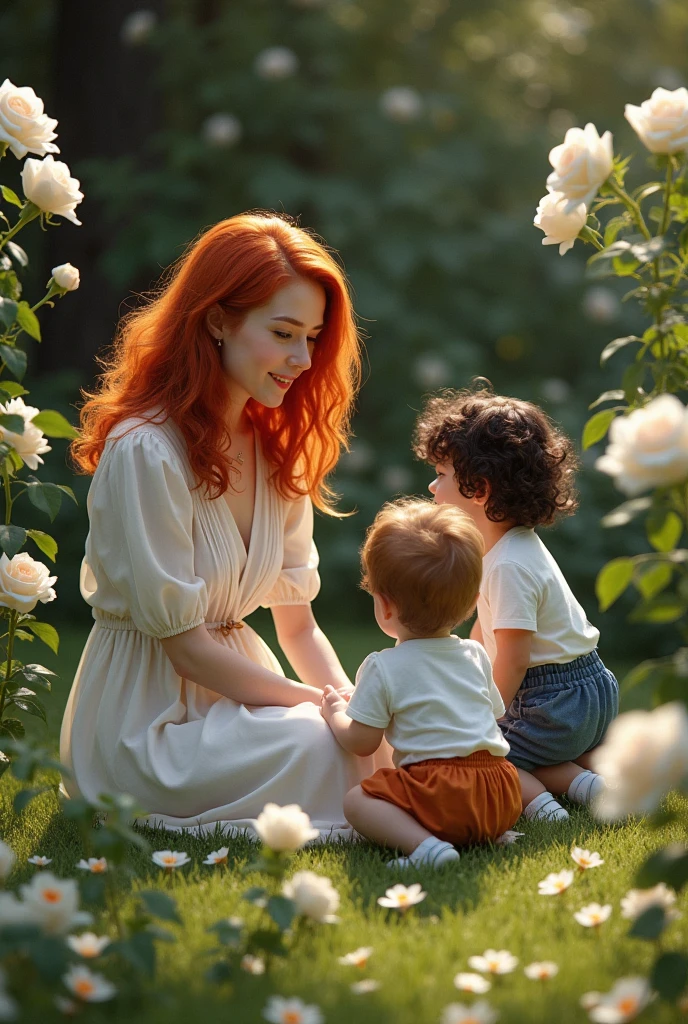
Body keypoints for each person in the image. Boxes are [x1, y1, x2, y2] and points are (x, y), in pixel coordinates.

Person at [60, 212, 392, 839]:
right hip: (146, 724)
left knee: (370, 743)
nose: (302, 358)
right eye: (283, 332)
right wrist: (325, 714)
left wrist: (357, 709)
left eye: (313, 337)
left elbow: (299, 626)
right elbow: (186, 650)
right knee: (322, 746)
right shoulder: (146, 451)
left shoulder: (273, 448)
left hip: (242, 702)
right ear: (217, 319)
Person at [414, 386, 619, 822]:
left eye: (442, 474)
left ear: (480, 488)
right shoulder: (515, 546)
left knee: (481, 754)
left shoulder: (506, 564)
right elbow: (488, 632)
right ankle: (586, 781)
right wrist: (467, 672)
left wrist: (484, 715)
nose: (432, 486)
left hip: (552, 701)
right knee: (530, 747)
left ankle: (540, 804)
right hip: (590, 689)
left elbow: (513, 655)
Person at [320, 499, 521, 869]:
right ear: (471, 604)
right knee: (460, 793)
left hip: (439, 792)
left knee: (357, 802)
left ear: (385, 606)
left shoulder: (383, 666)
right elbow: (494, 714)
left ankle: (426, 847)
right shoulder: (475, 655)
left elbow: (362, 743)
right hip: (501, 792)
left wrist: (336, 714)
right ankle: (483, 831)